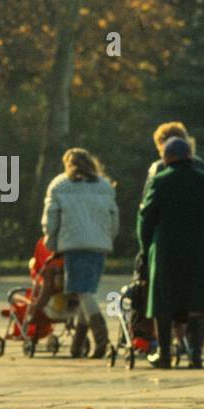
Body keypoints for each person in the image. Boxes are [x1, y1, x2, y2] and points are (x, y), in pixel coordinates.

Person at [137, 136, 204, 369]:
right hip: (202, 247)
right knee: (198, 301)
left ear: (167, 158)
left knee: (164, 302)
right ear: (190, 156)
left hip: (167, 247)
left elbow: (146, 219)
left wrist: (146, 248)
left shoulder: (160, 180)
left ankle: (165, 355)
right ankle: (196, 355)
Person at [41, 148, 119, 358]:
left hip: (73, 244)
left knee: (81, 291)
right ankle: (78, 345)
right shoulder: (104, 186)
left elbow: (51, 218)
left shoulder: (60, 185)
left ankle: (101, 337)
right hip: (98, 246)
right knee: (86, 292)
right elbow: (113, 218)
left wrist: (51, 241)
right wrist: (107, 239)